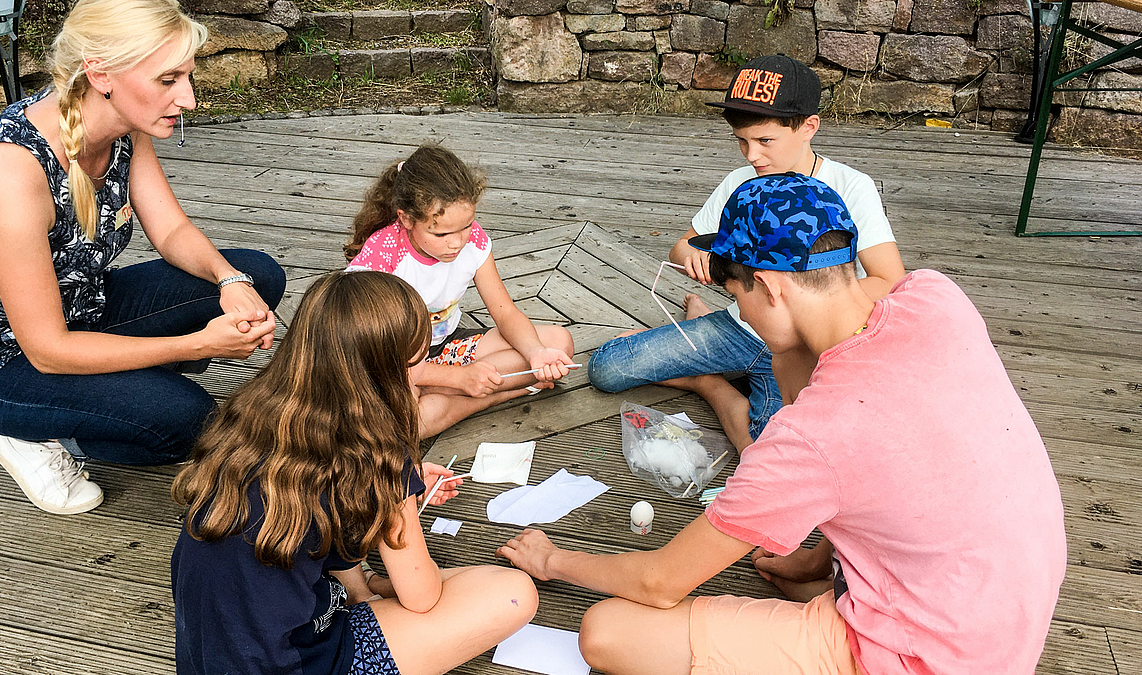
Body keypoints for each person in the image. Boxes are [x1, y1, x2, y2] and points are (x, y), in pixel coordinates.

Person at [498, 174, 1066, 675]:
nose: (740, 315)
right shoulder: (935, 297)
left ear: (769, 287)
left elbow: (659, 582)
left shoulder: (814, 436)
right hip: (1008, 610)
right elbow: (886, 476)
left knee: (609, 633)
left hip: (929, 660)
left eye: (736, 297)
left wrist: (552, 559)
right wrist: (814, 561)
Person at [0, 0, 285, 515]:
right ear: (101, 73)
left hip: (83, 308)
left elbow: (170, 229)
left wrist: (229, 279)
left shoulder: (123, 123)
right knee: (190, 420)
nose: (188, 99)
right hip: (7, 362)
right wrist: (193, 344)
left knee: (258, 274)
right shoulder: (10, 169)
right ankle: (33, 432)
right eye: (168, 80)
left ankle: (122, 391)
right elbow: (48, 350)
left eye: (187, 76)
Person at [171, 270, 539, 675]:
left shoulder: (251, 417)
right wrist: (401, 500)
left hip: (209, 657)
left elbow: (317, 514)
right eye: (414, 365)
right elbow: (421, 596)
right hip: (294, 661)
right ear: (387, 373)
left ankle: (359, 592)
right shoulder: (378, 453)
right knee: (513, 593)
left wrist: (367, 575)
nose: (418, 378)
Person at [586, 54, 905, 451]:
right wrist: (695, 257)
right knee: (606, 368)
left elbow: (889, 279)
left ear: (809, 127)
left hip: (801, 342)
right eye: (742, 141)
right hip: (740, 325)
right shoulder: (743, 181)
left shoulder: (851, 187)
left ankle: (709, 382)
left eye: (765, 141)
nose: (752, 156)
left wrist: (815, 308)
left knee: (767, 447)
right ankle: (710, 339)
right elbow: (685, 243)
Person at [345, 144, 575, 437]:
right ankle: (492, 396)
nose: (456, 242)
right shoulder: (382, 260)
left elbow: (505, 313)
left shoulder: (473, 241)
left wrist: (537, 352)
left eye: (465, 226)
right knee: (405, 421)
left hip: (445, 347)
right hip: (390, 362)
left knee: (558, 344)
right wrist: (460, 378)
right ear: (406, 219)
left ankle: (442, 390)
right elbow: (369, 352)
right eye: (440, 234)